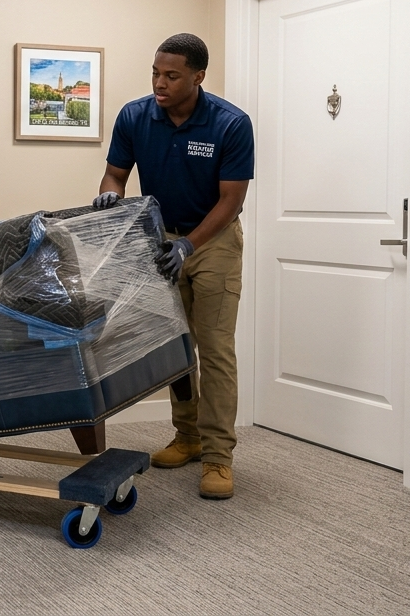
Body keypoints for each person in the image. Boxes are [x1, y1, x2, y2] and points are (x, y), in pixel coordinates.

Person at [92, 33, 254, 500]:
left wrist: (189, 245)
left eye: (171, 76)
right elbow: (115, 174)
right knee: (177, 347)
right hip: (158, 239)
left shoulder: (230, 123)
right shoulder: (135, 116)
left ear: (198, 76)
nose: (160, 84)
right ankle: (188, 437)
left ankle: (219, 456)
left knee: (215, 350)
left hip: (214, 240)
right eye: (155, 73)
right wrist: (110, 197)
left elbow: (231, 201)